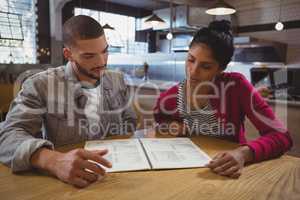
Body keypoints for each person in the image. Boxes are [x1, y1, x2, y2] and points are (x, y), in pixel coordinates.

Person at [0, 15, 137, 187]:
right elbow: (8, 136)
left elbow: (130, 121)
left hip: (115, 174)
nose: (101, 62)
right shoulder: (41, 85)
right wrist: (53, 160)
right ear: (68, 54)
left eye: (104, 51)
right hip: (65, 181)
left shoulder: (117, 79)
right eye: (89, 56)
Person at [153, 20, 293, 178]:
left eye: (205, 67)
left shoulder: (236, 86)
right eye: (191, 60)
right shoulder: (171, 97)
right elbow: (159, 121)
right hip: (185, 171)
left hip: (225, 172)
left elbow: (282, 137)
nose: (192, 72)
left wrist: (243, 154)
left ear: (221, 69)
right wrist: (169, 125)